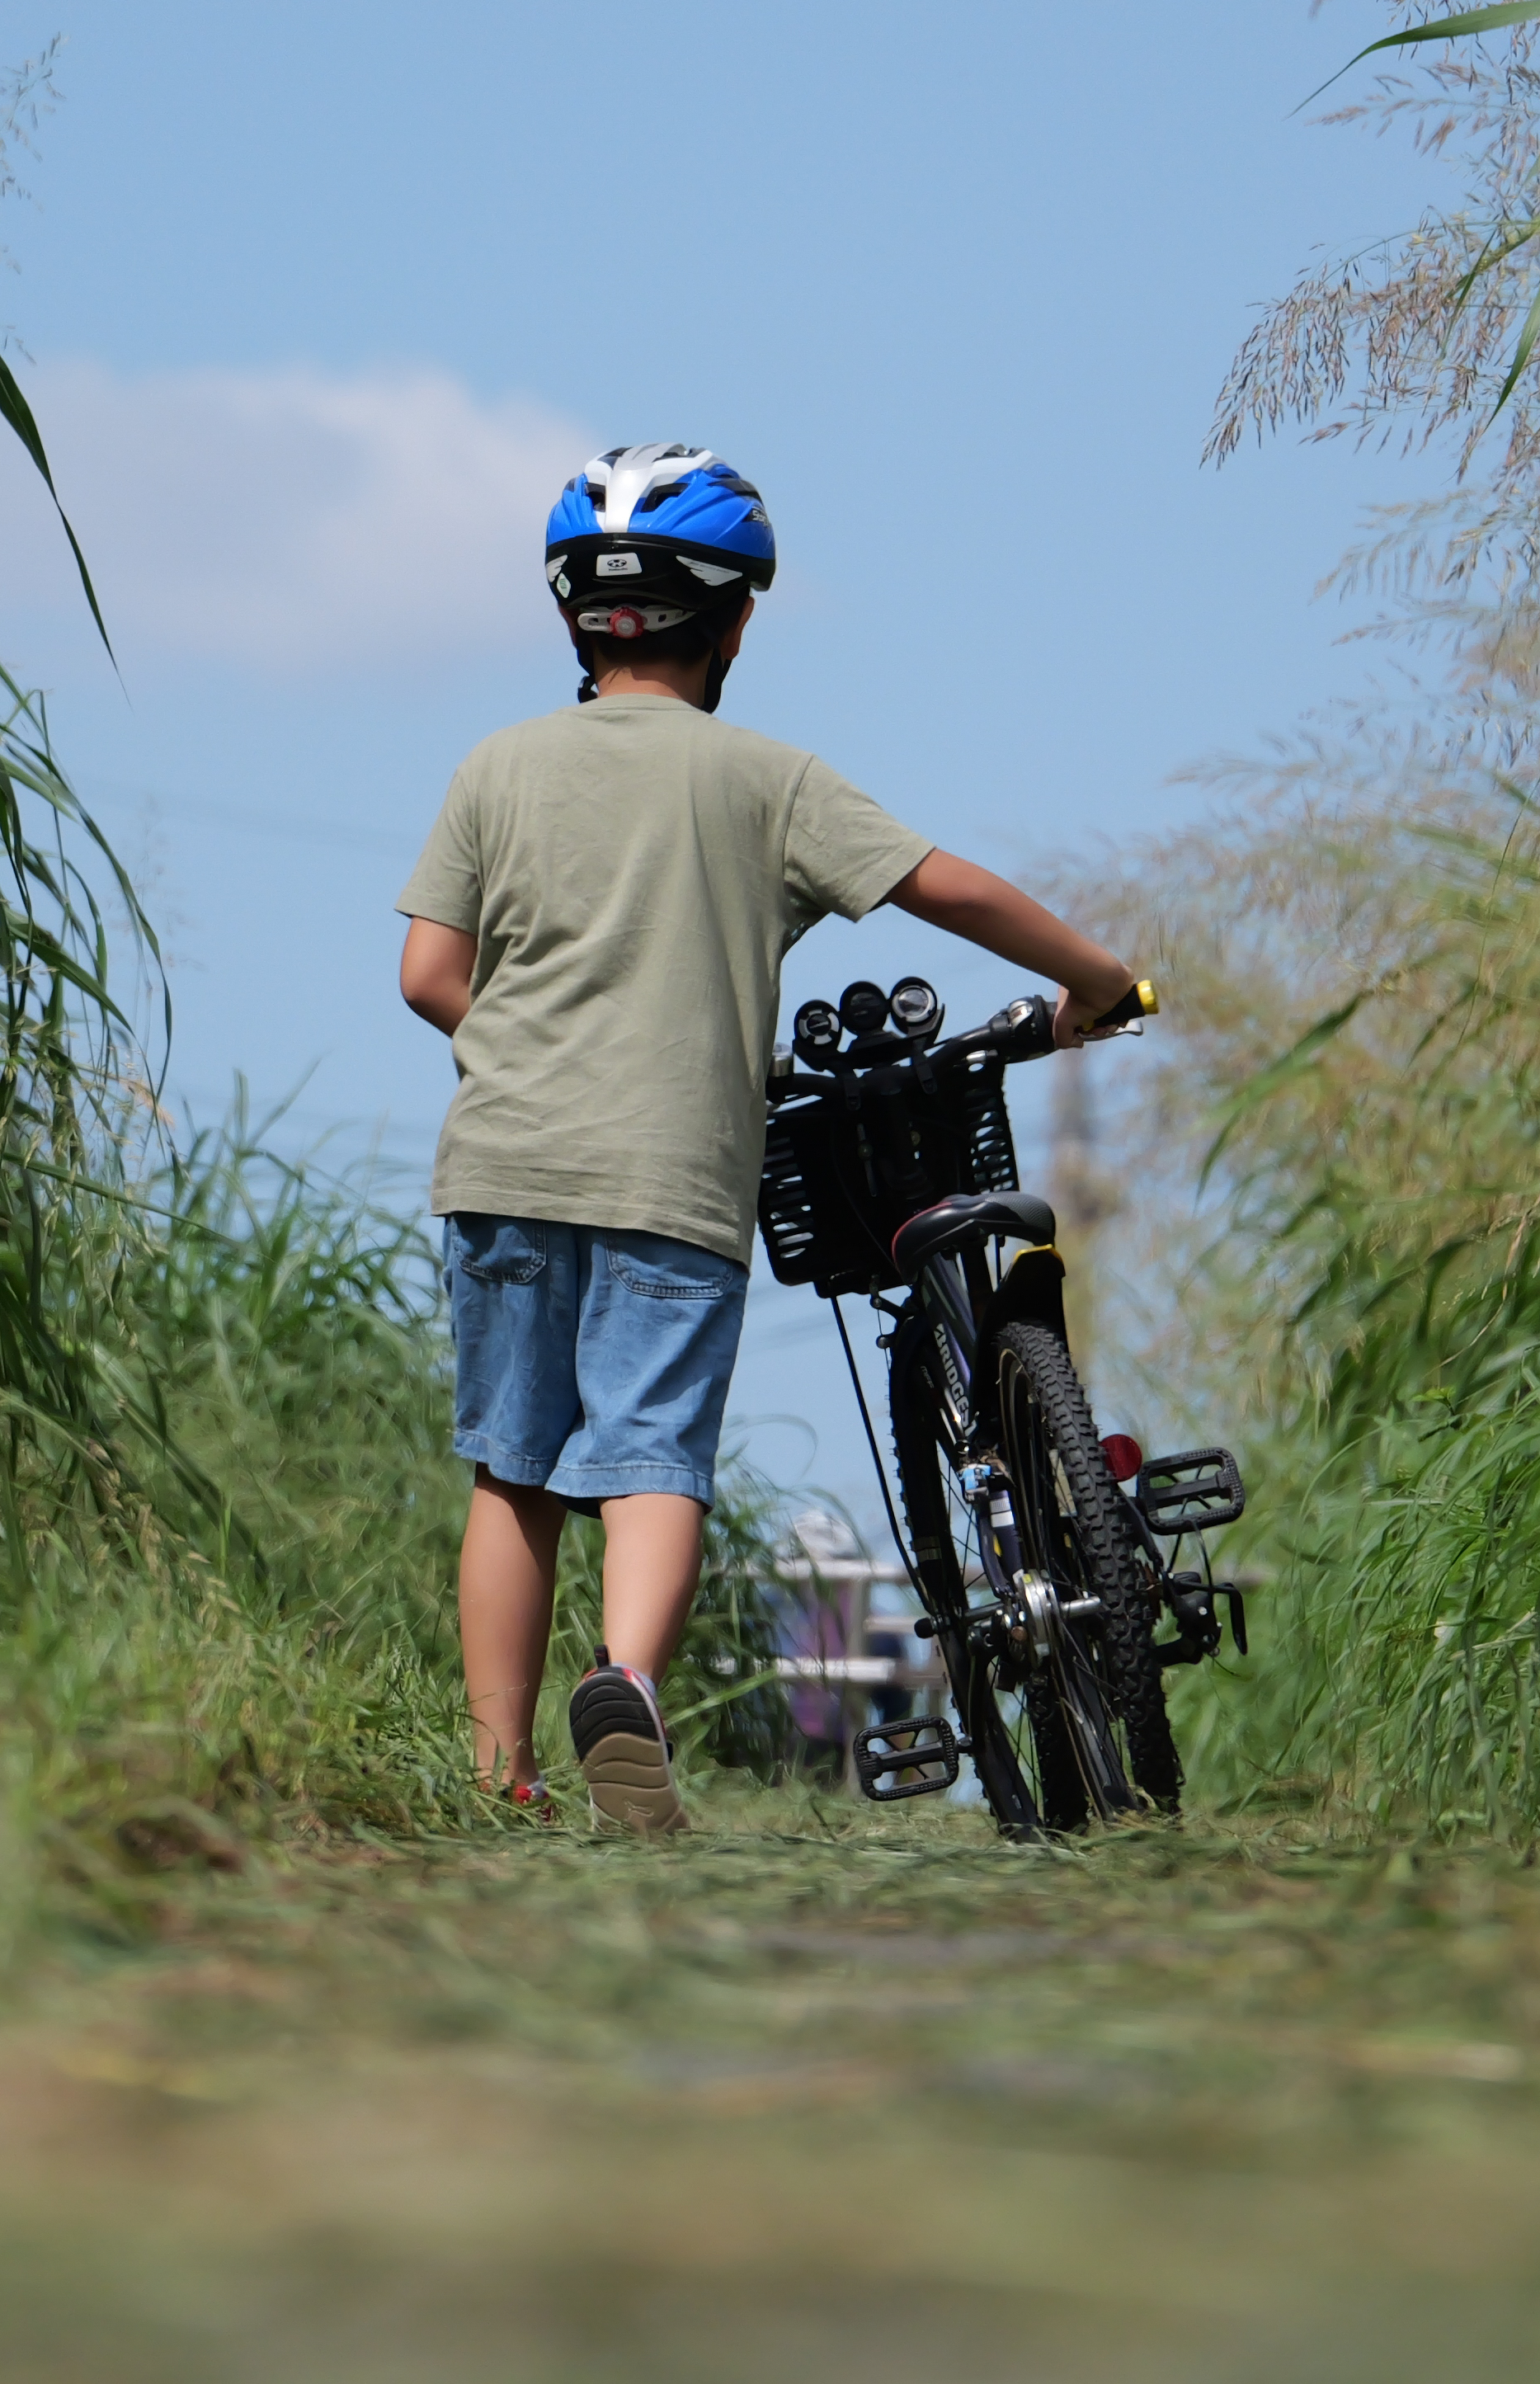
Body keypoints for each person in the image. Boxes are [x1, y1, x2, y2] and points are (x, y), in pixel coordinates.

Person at [393, 444, 1146, 1833]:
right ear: (735, 621)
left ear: (575, 619)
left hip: (502, 1162)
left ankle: (500, 1779)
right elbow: (952, 889)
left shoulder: (493, 768)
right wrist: (1097, 984)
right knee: (651, 1458)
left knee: (514, 1473)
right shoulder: (766, 781)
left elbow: (429, 975)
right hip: (669, 1174)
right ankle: (626, 1683)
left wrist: (522, 1052)